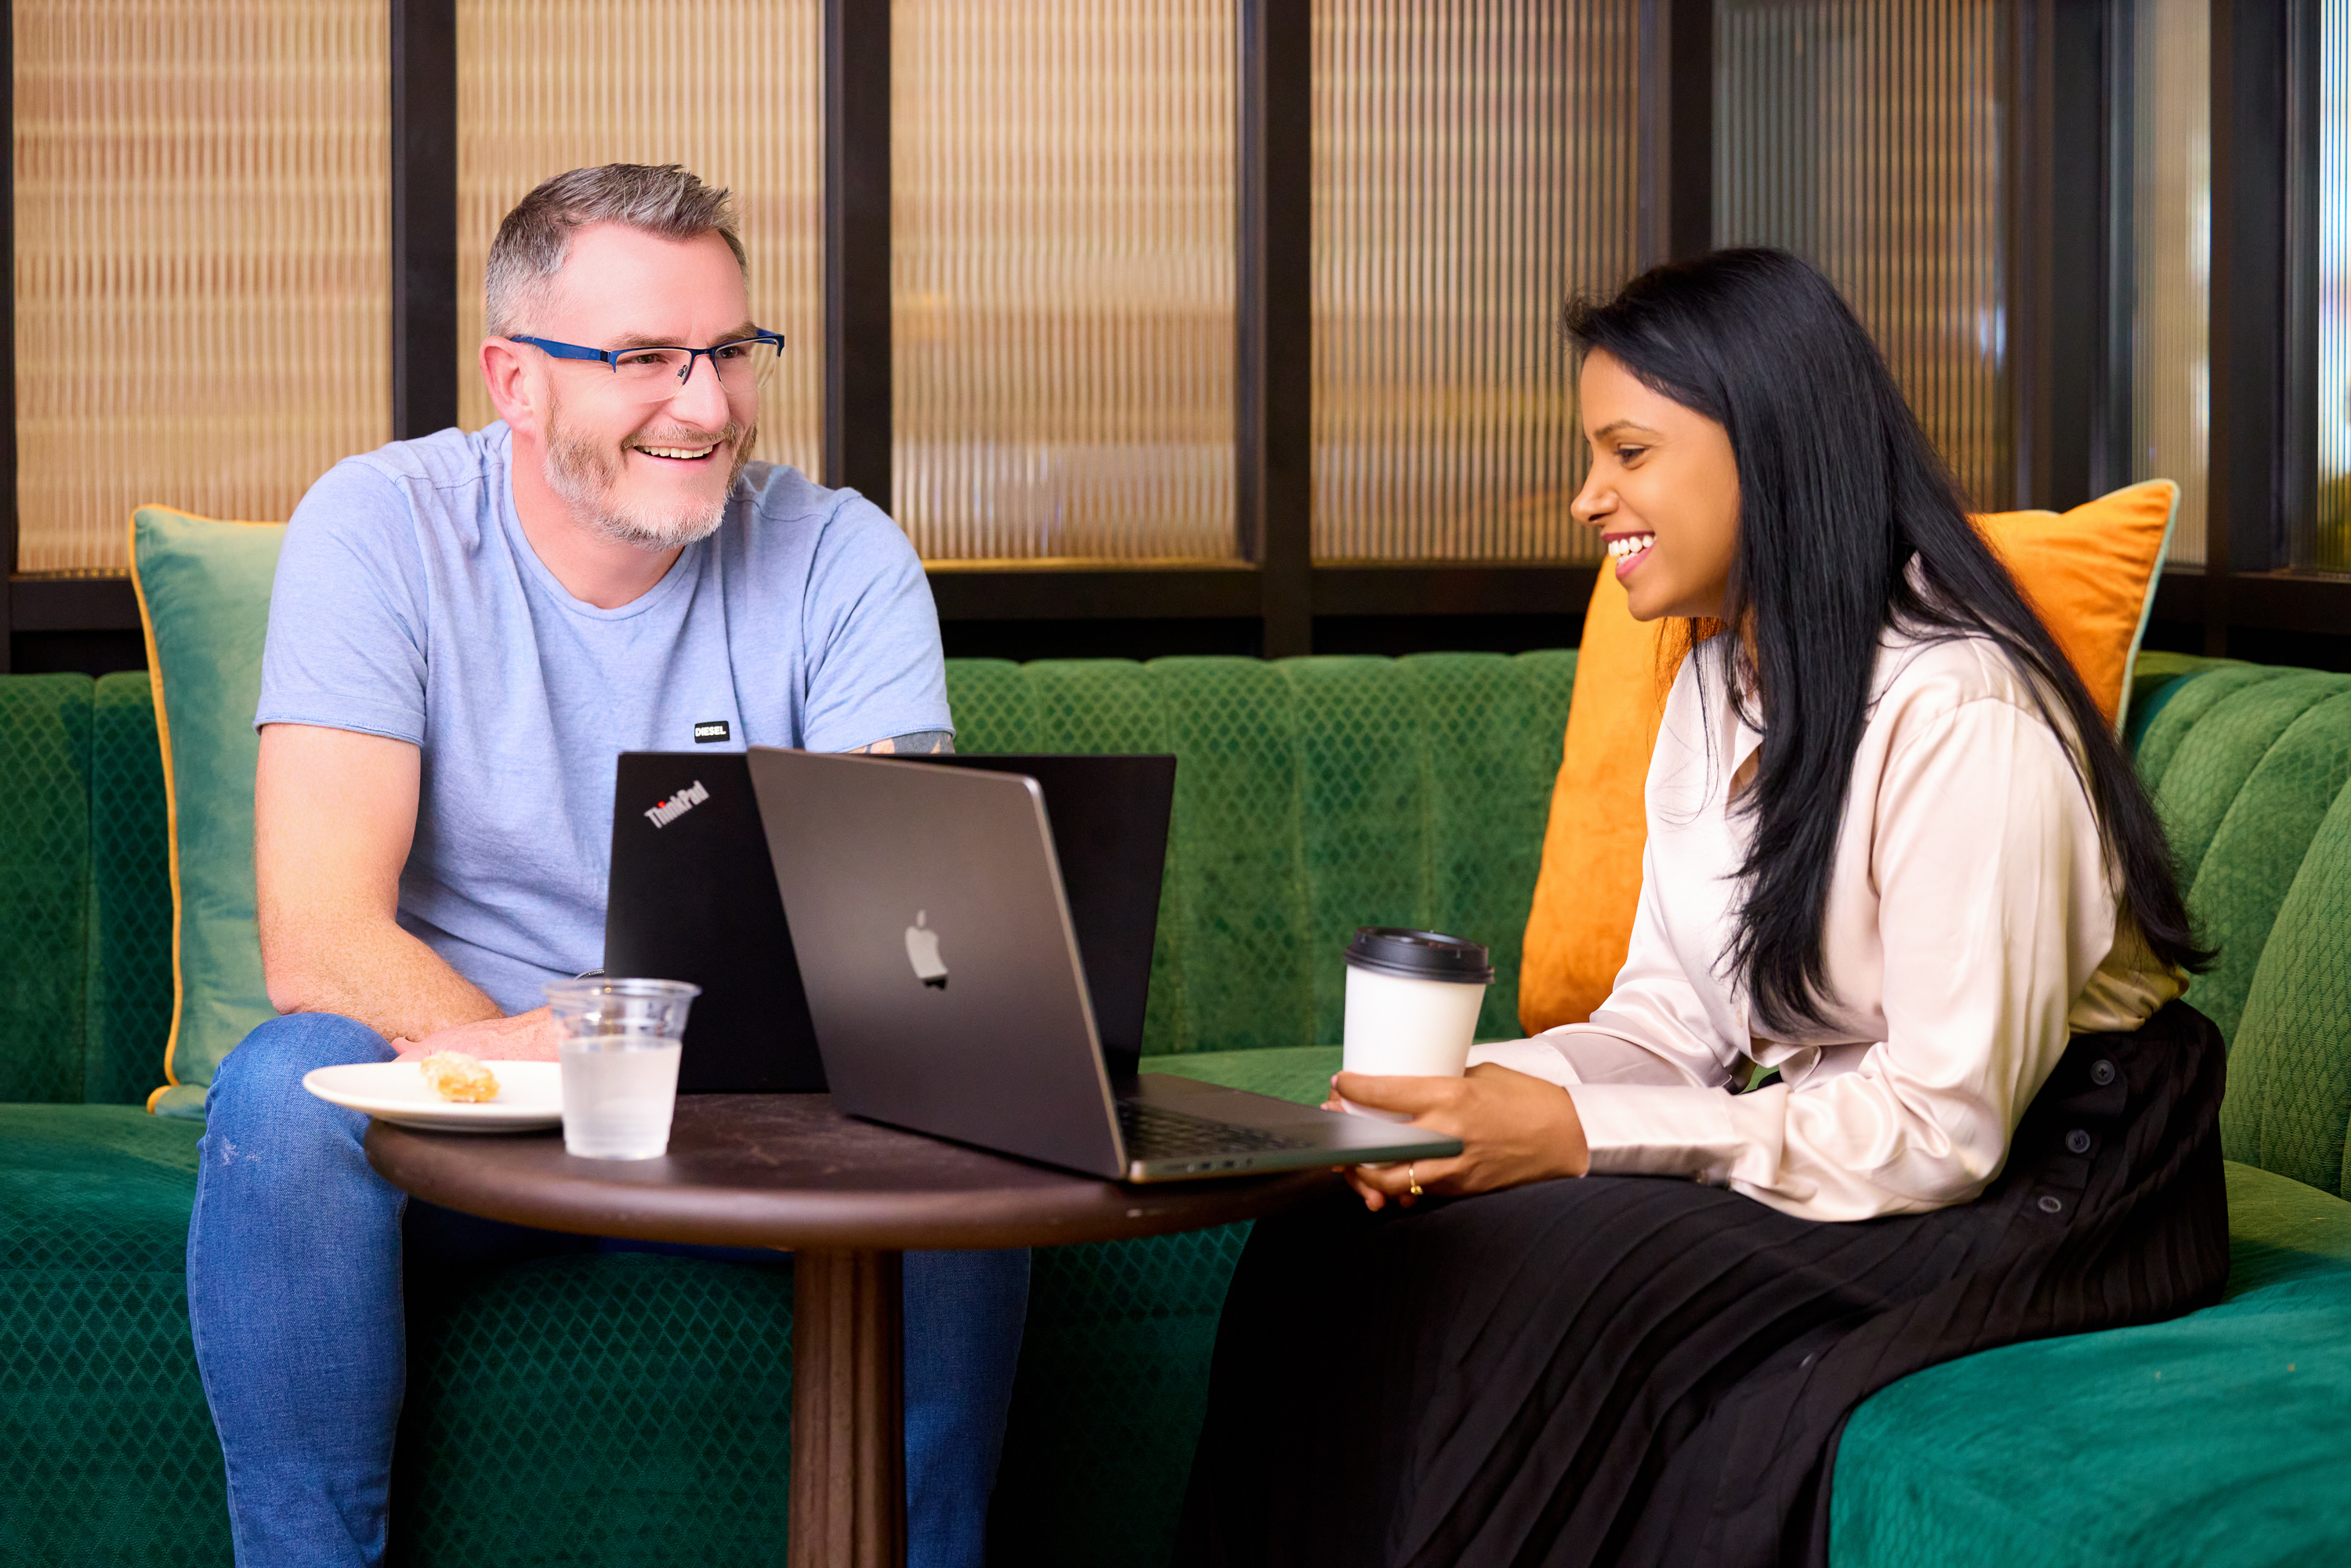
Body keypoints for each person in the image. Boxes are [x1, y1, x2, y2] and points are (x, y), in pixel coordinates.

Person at [1176, 248, 2229, 1568]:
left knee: (1565, 1287)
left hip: (2066, 1162)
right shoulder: (1719, 683)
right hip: (1878, 1121)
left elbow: (1946, 1127)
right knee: (1329, 1237)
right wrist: (1449, 1097)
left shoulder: (1961, 711)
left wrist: (1570, 1138)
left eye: (1628, 451)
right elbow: (1672, 1021)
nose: (1586, 496)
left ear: (1769, 444)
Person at [185, 165, 1029, 1568]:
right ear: (515, 380)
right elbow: (322, 941)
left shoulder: (842, 558)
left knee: (968, 1099)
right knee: (285, 1081)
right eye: (644, 358)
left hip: (751, 1113)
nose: (704, 407)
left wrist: (636, 1052)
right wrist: (574, 1052)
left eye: (729, 353)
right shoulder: (380, 526)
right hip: (467, 1101)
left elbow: (908, 945)